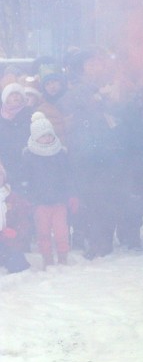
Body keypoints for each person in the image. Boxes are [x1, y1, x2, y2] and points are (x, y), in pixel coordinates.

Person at [21, 113, 73, 268]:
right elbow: (25, 179)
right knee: (42, 232)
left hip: (59, 201)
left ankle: (63, 255)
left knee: (61, 231)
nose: (47, 139)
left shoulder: (60, 153)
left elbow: (68, 176)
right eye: (43, 136)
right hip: (40, 202)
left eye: (50, 135)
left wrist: (70, 194)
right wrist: (28, 196)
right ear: (35, 137)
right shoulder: (29, 155)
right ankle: (47, 257)